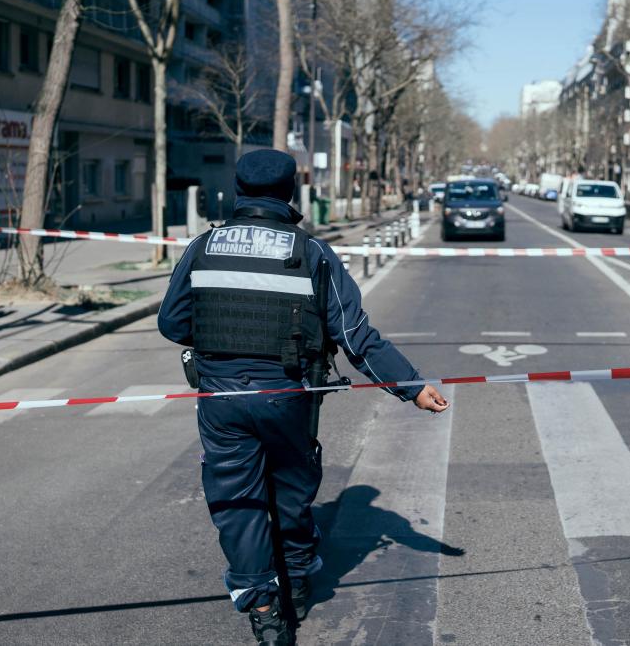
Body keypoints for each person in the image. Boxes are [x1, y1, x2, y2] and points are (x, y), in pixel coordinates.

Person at [158, 149, 449, 645]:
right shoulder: (311, 253)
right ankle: (294, 578)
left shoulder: (202, 247)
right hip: (288, 395)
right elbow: (356, 336)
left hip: (221, 399)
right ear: (291, 192)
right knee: (291, 489)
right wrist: (411, 387)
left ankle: (264, 607)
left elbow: (172, 322)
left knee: (237, 500)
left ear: (238, 188)